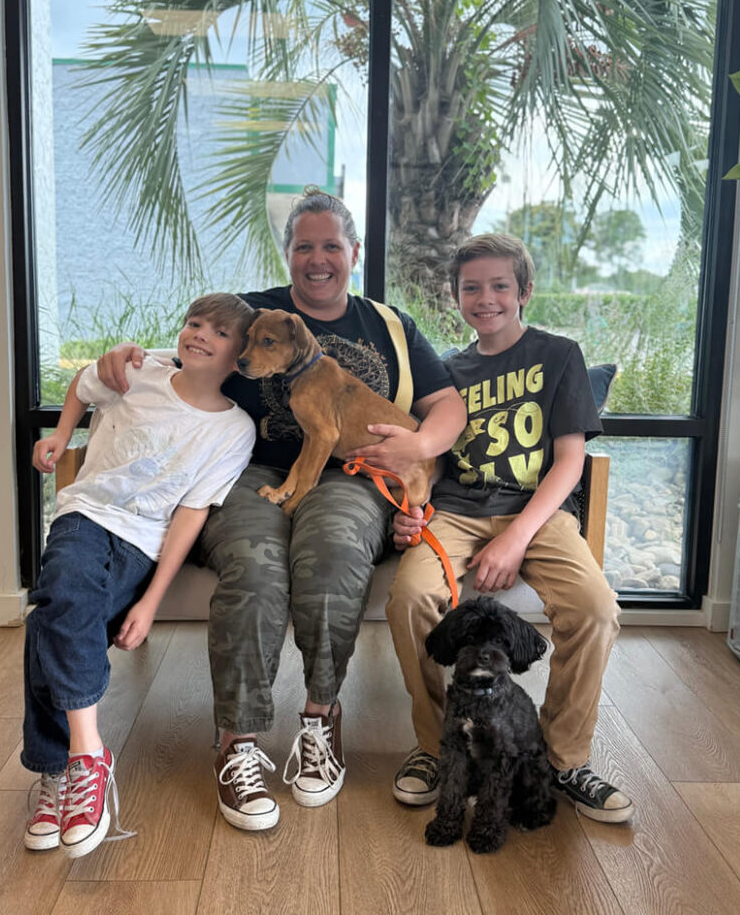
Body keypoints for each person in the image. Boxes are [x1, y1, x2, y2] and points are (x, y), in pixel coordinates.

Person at [96, 188, 467, 833]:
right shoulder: (253, 313)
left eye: (331, 246)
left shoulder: (391, 324)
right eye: (304, 246)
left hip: (352, 475)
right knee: (255, 567)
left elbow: (447, 405)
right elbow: (187, 355)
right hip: (245, 470)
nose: (317, 259)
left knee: (333, 556)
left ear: (354, 253)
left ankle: (320, 719)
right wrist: (125, 356)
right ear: (287, 253)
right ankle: (237, 741)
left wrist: (419, 446)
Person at [386, 233, 634, 824]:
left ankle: (562, 759)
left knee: (596, 610)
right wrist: (412, 507)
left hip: (539, 513)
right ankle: (438, 747)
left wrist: (516, 537)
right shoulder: (447, 372)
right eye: (471, 287)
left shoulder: (559, 355)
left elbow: (569, 461)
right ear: (455, 296)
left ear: (524, 291)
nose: (485, 298)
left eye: (500, 285)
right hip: (456, 512)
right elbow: (433, 459)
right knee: (410, 599)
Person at [23, 293, 256, 858]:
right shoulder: (140, 370)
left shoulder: (235, 430)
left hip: (142, 543)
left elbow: (191, 513)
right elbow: (83, 384)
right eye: (194, 323)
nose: (199, 334)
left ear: (240, 357)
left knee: (53, 621)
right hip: (84, 515)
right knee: (65, 595)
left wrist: (151, 602)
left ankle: (55, 770)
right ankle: (87, 755)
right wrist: (61, 436)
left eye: (218, 332)